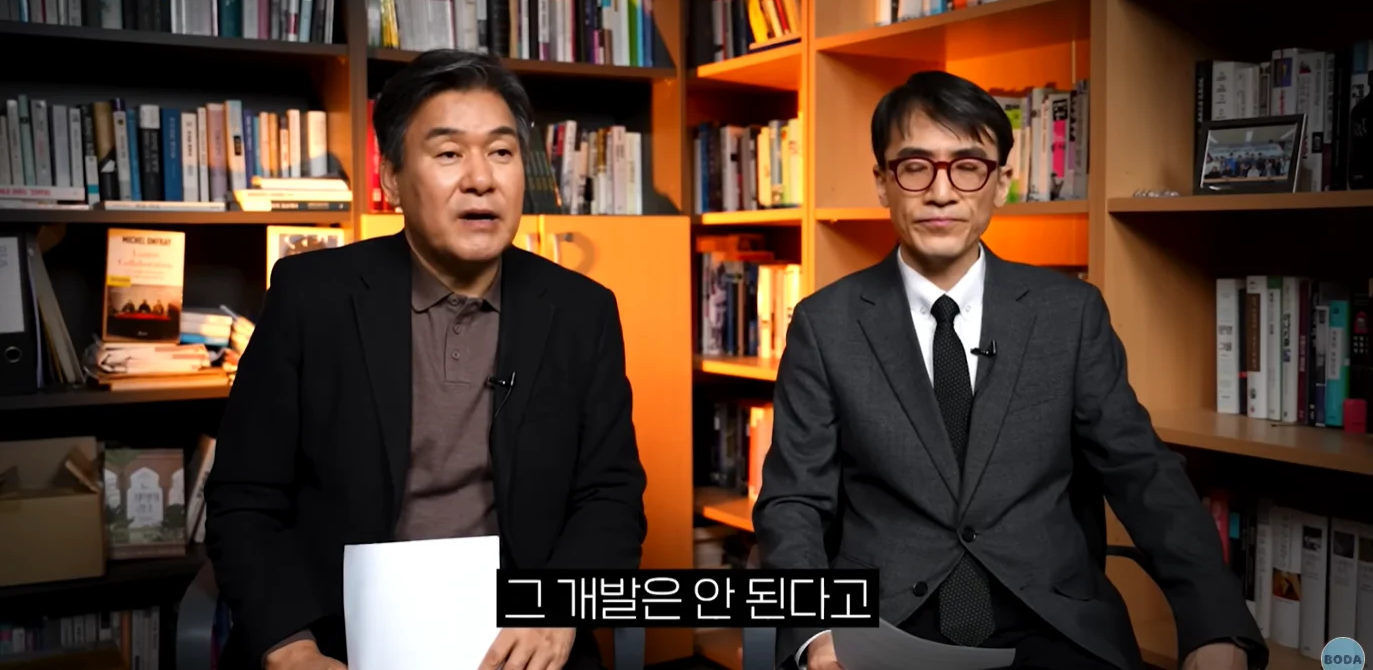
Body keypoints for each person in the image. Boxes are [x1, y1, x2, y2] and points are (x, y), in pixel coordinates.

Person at [752, 71, 1265, 670]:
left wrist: (1215, 626)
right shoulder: (825, 324)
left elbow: (1142, 472)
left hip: (1051, 621)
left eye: (968, 168)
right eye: (915, 167)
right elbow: (794, 501)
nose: (941, 192)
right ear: (882, 183)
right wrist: (817, 634)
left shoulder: (1069, 313)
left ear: (1001, 183)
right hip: (884, 622)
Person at [205, 49, 647, 670]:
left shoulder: (581, 311)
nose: (481, 179)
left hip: (520, 637)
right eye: (448, 154)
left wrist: (557, 612)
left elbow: (610, 496)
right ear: (391, 178)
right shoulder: (312, 297)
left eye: (501, 152)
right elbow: (245, 497)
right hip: (339, 639)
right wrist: (289, 645)